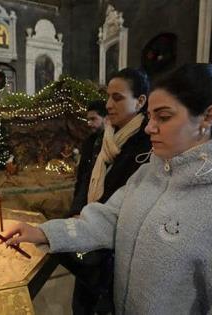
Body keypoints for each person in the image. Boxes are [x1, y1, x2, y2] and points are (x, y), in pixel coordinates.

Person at [4, 63, 212, 314]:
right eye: (150, 116)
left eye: (163, 117)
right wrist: (42, 232)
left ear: (208, 117)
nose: (149, 127)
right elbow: (109, 218)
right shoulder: (150, 171)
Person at [64, 68, 152, 315]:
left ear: (141, 101)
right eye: (108, 96)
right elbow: (83, 183)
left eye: (118, 97)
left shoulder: (148, 144)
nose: (109, 104)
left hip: (117, 247)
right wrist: (76, 213)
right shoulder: (96, 141)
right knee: (81, 304)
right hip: (86, 236)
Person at [69, 99, 107, 217]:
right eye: (88, 119)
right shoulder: (89, 142)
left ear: (105, 118)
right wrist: (75, 207)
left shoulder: (112, 144)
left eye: (93, 119)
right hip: (84, 199)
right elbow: (83, 176)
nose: (89, 123)